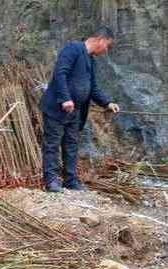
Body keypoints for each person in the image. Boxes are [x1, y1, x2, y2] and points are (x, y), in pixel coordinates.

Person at [40, 26, 121, 193]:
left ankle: (70, 180)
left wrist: (107, 103)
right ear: (101, 40)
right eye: (107, 45)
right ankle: (51, 182)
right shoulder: (72, 49)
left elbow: (93, 88)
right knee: (52, 144)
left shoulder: (91, 61)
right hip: (57, 107)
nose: (106, 50)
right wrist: (65, 98)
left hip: (75, 111)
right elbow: (60, 74)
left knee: (71, 145)